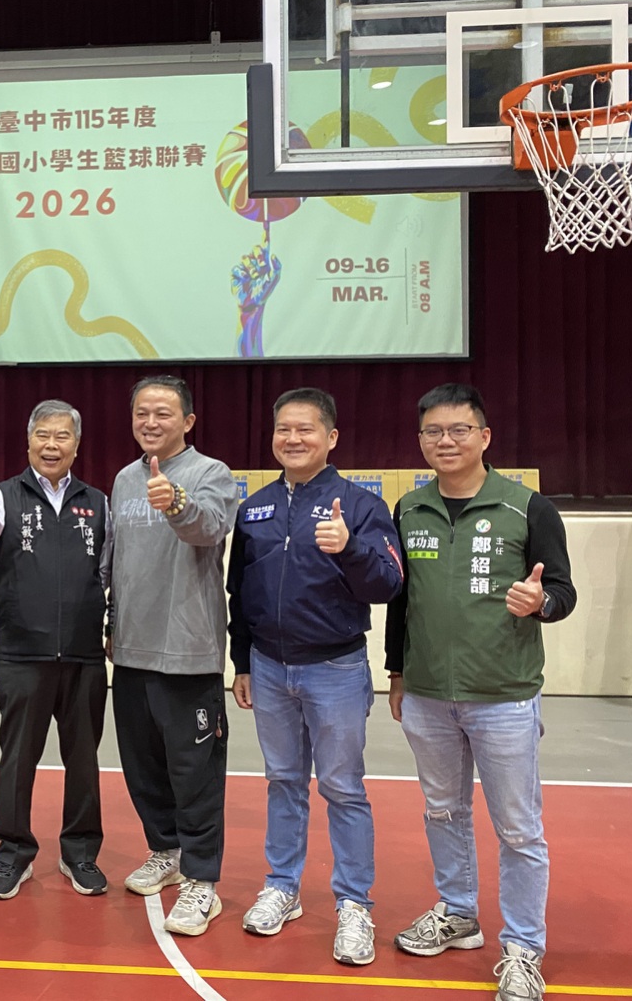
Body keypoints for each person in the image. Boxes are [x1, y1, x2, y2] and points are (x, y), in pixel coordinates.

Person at [386, 383, 576, 1001]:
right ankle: (458, 913)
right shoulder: (409, 509)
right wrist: (397, 673)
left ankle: (522, 948)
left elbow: (564, 592)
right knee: (443, 810)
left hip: (504, 696)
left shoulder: (528, 508)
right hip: (427, 696)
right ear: (421, 441)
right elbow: (401, 601)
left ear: (484, 436)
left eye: (459, 430)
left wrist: (540, 602)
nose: (446, 441)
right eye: (433, 432)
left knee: (519, 829)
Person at [226, 388, 404, 965]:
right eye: (284, 429)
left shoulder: (361, 506)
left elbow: (387, 584)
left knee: (343, 787)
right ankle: (283, 886)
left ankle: (354, 904)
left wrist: (349, 549)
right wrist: (243, 661)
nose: (293, 438)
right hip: (269, 667)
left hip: (336, 668)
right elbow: (239, 593)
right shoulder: (254, 508)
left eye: (305, 429)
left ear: (331, 438)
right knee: (283, 781)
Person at [0, 400, 112, 900]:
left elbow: (108, 573)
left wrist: (112, 627)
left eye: (62, 436)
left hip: (84, 655)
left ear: (77, 446)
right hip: (23, 654)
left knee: (83, 761)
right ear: (28, 442)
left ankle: (80, 852)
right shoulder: (1, 496)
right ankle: (14, 853)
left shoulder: (98, 502)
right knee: (18, 758)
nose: (51, 444)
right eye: (43, 434)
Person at [109, 375, 237, 936]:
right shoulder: (123, 479)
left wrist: (177, 503)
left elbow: (210, 528)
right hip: (130, 651)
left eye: (163, 413)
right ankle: (166, 851)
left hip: (188, 653)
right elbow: (114, 559)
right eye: (142, 412)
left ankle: (202, 879)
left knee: (195, 775)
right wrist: (110, 624)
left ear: (187, 421)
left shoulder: (211, 473)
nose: (150, 422)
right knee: (143, 768)